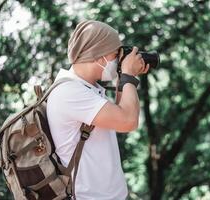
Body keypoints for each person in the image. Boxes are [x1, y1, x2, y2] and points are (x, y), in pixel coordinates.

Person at [46, 20, 149, 200]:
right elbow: (128, 121)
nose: (119, 60)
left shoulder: (84, 87)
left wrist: (124, 78)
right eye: (116, 54)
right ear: (97, 55)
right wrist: (129, 76)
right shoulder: (69, 92)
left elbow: (119, 115)